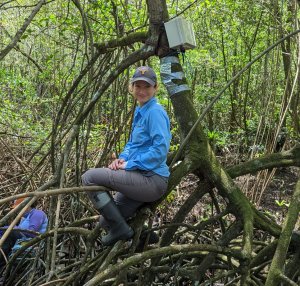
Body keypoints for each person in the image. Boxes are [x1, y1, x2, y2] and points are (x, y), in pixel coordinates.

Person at [82, 66, 171, 246]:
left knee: (89, 177)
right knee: (105, 222)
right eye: (138, 86)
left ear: (155, 88)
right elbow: (133, 144)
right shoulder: (142, 111)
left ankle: (124, 231)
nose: (142, 91)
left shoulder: (154, 112)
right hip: (139, 176)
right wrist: (122, 159)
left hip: (152, 180)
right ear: (131, 88)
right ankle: (142, 239)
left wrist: (129, 164)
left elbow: (160, 150)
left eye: (147, 87)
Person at [0, 198, 48, 266]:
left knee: (10, 232)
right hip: (22, 242)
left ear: (27, 205)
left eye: (18, 208)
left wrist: (12, 229)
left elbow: (32, 232)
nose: (17, 211)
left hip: (33, 243)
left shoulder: (37, 213)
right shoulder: (24, 218)